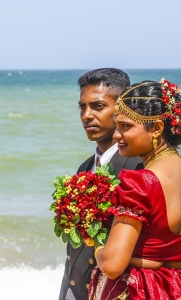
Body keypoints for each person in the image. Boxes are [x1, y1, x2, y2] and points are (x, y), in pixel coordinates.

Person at [89, 79, 181, 300]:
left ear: (157, 128)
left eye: (126, 126)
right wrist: (180, 286)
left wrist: (98, 249)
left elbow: (112, 265)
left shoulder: (140, 183)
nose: (116, 135)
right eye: (117, 125)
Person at [59, 69, 143, 300]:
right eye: (81, 107)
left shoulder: (137, 168)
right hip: (73, 290)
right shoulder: (85, 167)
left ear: (122, 108)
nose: (86, 115)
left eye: (97, 106)